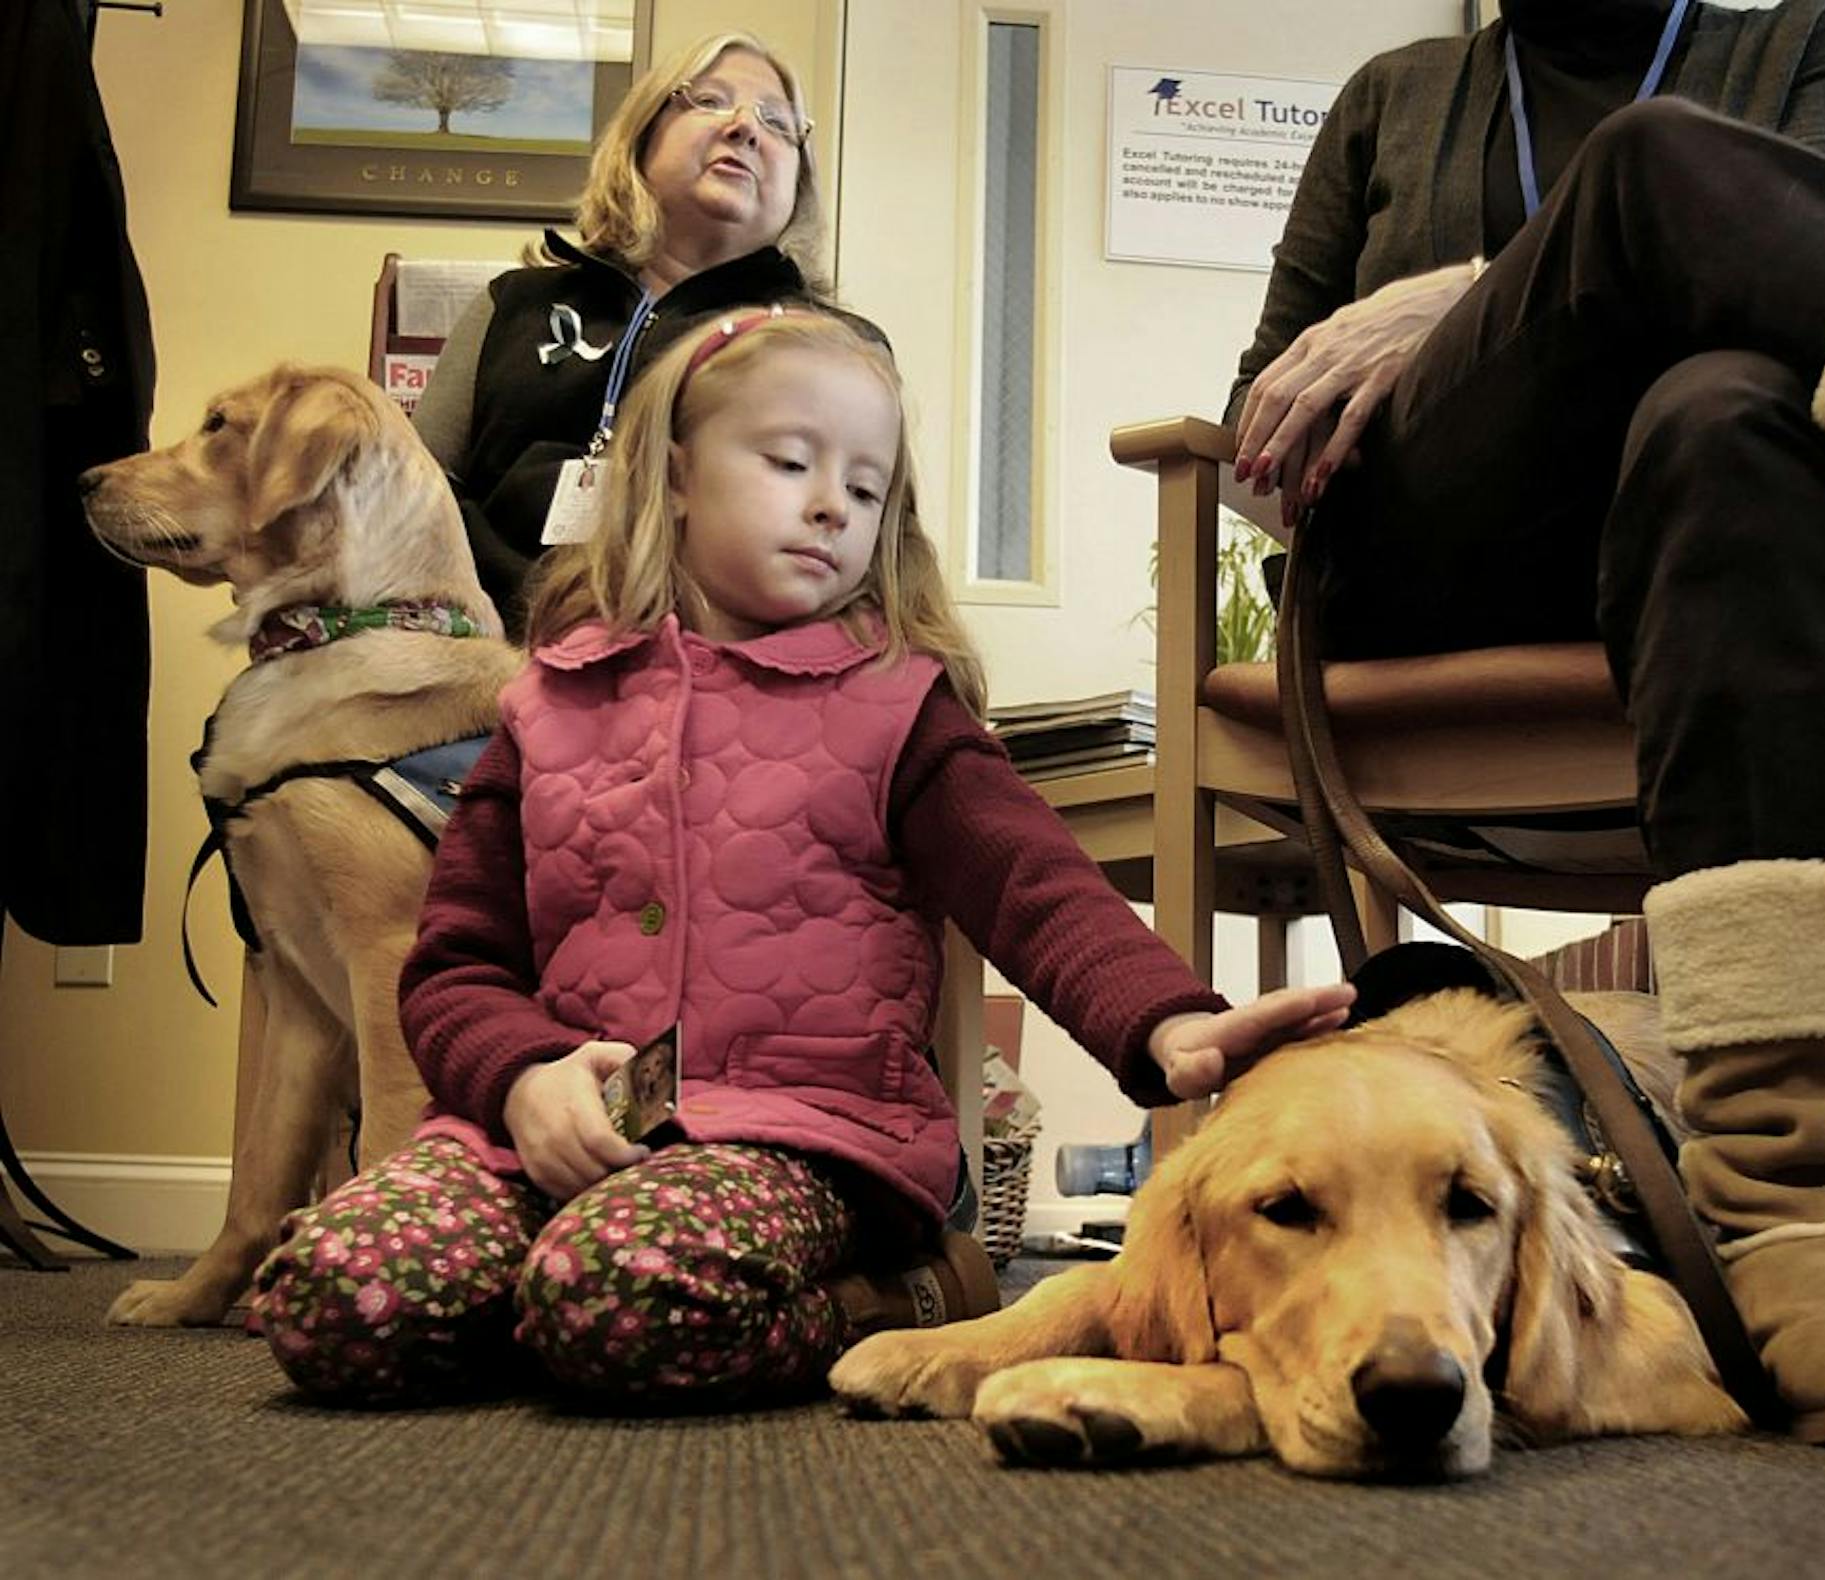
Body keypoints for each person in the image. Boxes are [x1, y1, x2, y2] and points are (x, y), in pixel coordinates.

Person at [1225, 0, 1825, 1452]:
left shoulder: (1818, 38)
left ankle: (1819, 1218)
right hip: (1457, 549)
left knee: (1729, 414)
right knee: (1653, 174)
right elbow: (1262, 426)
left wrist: (1473, 275)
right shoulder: (1390, 93)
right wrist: (1502, 300)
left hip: (1758, 517)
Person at [251, 308, 1354, 1408]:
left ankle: (904, 1290)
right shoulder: (544, 706)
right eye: (791, 462)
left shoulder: (899, 710)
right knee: (333, 1296)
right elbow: (452, 971)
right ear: (674, 475)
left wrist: (1172, 1022)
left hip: (811, 1140)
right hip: (552, 1139)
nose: (833, 502)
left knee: (624, 1297)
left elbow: (1040, 889)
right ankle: (555, 1306)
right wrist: (525, 1076)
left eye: (867, 489)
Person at [413, 31, 836, 635]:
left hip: (703, 671)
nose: (745, 127)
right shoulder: (511, 304)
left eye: (778, 121)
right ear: (640, 137)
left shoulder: (826, 348)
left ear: (800, 180)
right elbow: (412, 499)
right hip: (481, 651)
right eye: (710, 100)